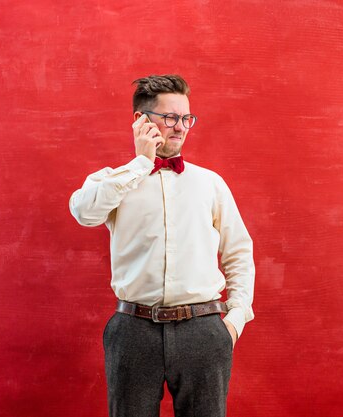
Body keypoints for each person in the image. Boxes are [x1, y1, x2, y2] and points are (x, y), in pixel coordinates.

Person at [69, 74, 255, 417]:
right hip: (133, 332)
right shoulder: (113, 182)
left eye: (186, 118)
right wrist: (141, 163)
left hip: (204, 330)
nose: (180, 127)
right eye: (170, 117)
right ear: (142, 121)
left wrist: (235, 319)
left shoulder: (209, 183)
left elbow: (239, 252)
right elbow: (83, 212)